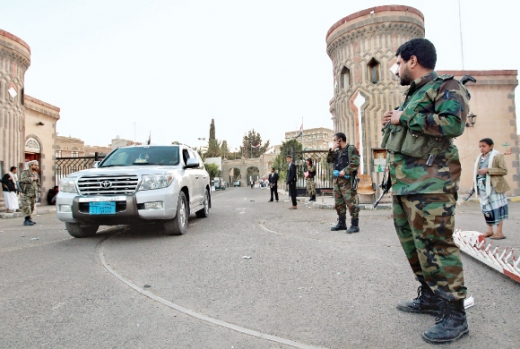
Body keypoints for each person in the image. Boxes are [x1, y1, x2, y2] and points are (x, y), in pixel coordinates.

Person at [381, 38, 470, 344]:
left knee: (436, 245)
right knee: (414, 246)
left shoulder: (446, 87)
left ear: (413, 61)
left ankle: (455, 314)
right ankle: (431, 297)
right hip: (406, 185)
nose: (397, 69)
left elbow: (453, 124)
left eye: (398, 63)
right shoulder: (413, 95)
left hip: (431, 185)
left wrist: (404, 117)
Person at [473, 138, 510, 240]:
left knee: (497, 209)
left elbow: (504, 170)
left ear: (491, 146)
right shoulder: (479, 158)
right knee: (486, 209)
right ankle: (489, 230)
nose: (481, 149)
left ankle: (499, 232)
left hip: (494, 187)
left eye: (484, 146)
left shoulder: (497, 156)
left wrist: (488, 170)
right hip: (482, 187)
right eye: (480, 146)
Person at [327, 132, 360, 233]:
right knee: (339, 203)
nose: (334, 142)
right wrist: (332, 149)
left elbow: (355, 163)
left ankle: (355, 225)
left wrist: (344, 171)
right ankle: (342, 223)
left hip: (347, 181)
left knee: (351, 203)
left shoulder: (351, 149)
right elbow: (329, 160)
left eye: (334, 140)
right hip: (337, 181)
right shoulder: (337, 152)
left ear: (339, 140)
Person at [20, 160, 41, 226]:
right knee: (27, 206)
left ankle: (29, 219)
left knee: (31, 207)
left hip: (34, 192)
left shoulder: (35, 173)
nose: (36, 166)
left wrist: (39, 191)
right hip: (27, 192)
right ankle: (26, 220)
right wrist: (32, 179)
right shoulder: (25, 172)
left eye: (37, 165)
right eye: (35, 165)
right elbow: (22, 180)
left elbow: (38, 183)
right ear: (31, 165)